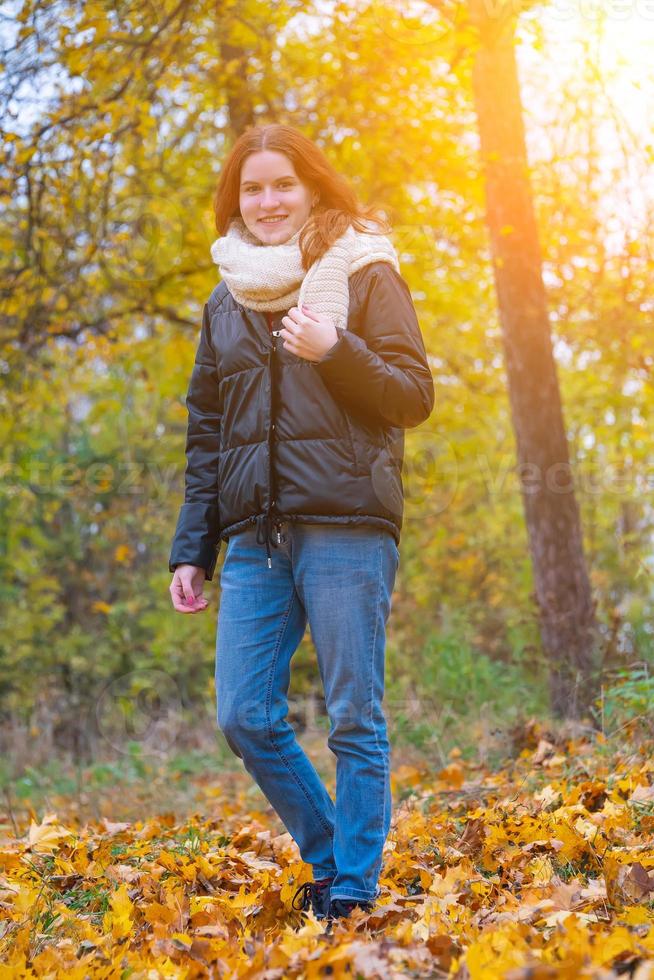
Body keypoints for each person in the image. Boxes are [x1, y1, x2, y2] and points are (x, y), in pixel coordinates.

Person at [168, 123, 434, 924]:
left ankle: (352, 892)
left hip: (348, 525)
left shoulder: (362, 268)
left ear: (312, 187)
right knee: (243, 714)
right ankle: (332, 854)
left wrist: (336, 348)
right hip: (254, 535)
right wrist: (194, 549)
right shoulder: (225, 299)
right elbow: (208, 435)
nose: (269, 200)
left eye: (283, 183)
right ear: (235, 202)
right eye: (252, 188)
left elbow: (412, 395)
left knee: (355, 714)